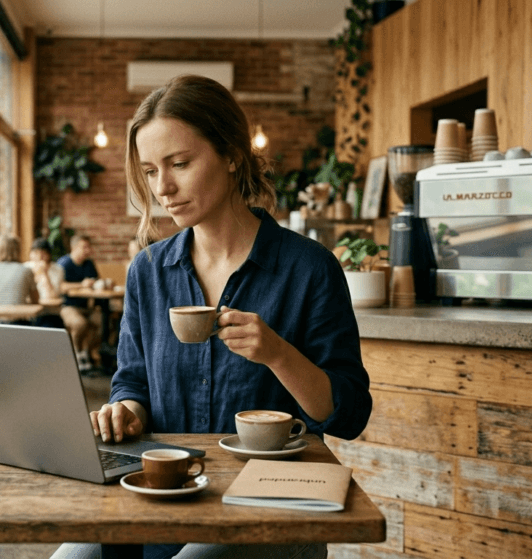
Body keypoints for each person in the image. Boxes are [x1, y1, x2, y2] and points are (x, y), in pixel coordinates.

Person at [55, 75, 372, 559]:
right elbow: (132, 381)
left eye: (180, 164)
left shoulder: (308, 268)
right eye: (150, 170)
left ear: (231, 155)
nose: (163, 187)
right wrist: (125, 413)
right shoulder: (149, 270)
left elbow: (349, 416)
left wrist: (277, 354)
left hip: (269, 501)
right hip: (164, 488)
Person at [57, 234, 101, 372]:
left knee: (100, 322)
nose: (88, 250)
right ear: (74, 248)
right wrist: (82, 284)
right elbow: (61, 286)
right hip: (67, 306)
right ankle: (76, 353)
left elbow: (97, 281)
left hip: (86, 307)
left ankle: (87, 353)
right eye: (84, 247)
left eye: (89, 247)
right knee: (79, 323)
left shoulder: (89, 264)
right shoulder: (64, 263)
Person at [26, 237, 65, 328]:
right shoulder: (25, 268)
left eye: (43, 253)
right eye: (35, 253)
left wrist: (44, 274)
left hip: (50, 313)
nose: (39, 257)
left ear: (49, 255)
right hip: (29, 314)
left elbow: (52, 296)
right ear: (31, 254)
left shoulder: (57, 269)